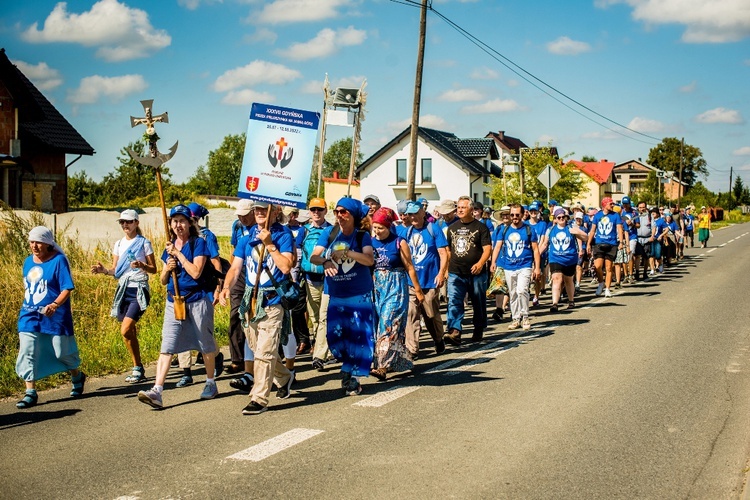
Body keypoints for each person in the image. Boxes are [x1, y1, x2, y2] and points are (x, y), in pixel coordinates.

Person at [138, 204, 219, 409]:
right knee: (167, 345)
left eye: (182, 220)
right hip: (174, 302)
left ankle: (210, 382)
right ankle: (157, 390)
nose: (178, 225)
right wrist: (169, 268)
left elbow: (196, 272)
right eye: (175, 221)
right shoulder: (169, 246)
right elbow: (164, 279)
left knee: (205, 344)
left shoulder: (199, 243)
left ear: (190, 223)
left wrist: (179, 255)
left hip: (198, 300)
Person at [219, 201, 296, 415]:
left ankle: (259, 397)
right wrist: (226, 287)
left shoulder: (283, 235)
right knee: (258, 348)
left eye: (264, 209)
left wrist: (270, 245)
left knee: (265, 351)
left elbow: (286, 266)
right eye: (257, 209)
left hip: (272, 301)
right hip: (251, 302)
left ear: (275, 211)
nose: (260, 212)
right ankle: (284, 376)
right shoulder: (246, 238)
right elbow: (235, 267)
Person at [310, 197, 375, 396]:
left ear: (353, 215)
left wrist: (349, 252)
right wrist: (326, 261)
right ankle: (347, 365)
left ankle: (353, 376)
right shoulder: (329, 233)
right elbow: (314, 256)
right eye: (337, 211)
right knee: (337, 337)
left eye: (344, 212)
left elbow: (369, 259)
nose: (339, 215)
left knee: (358, 337)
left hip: (359, 295)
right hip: (336, 294)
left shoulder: (362, 236)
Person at [16, 226, 86, 409]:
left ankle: (77, 376)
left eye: (38, 242)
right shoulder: (27, 262)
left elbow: (67, 288)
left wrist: (54, 305)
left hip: (56, 316)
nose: (34, 246)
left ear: (48, 243)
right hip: (29, 314)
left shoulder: (58, 261)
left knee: (61, 352)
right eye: (31, 242)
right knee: (27, 350)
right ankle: (30, 392)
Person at [91, 209, 156, 384]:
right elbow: (115, 270)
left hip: (139, 289)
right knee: (129, 333)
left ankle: (138, 368)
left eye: (128, 222)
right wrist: (103, 271)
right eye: (122, 222)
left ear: (136, 223)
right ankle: (138, 367)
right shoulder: (118, 244)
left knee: (125, 329)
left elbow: (154, 269)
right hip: (124, 290)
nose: (125, 225)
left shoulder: (144, 243)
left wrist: (142, 265)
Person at [370, 207, 423, 380]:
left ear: (388, 227)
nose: (377, 231)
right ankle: (395, 360)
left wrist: (418, 290)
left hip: (396, 286)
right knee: (380, 326)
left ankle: (382, 367)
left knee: (388, 323)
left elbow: (409, 268)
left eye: (381, 228)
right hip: (378, 287)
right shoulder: (371, 242)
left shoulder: (399, 242)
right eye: (375, 227)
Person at [443, 196, 492, 345]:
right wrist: (446, 269)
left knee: (478, 301)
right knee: (454, 301)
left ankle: (479, 328)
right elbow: (449, 251)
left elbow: (487, 249)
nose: (460, 210)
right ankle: (454, 330)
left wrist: (480, 263)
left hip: (476, 273)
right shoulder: (452, 228)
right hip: (456, 272)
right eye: (458, 207)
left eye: (463, 207)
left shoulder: (481, 228)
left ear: (471, 209)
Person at [402, 200, 448, 358]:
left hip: (429, 280)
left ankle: (438, 338)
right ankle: (412, 348)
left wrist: (441, 273)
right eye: (410, 214)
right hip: (411, 282)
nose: (413, 217)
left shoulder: (433, 229)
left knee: (431, 315)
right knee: (411, 313)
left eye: (416, 213)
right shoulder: (406, 232)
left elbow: (443, 253)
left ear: (423, 213)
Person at [297, 197, 334, 371]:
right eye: (313, 210)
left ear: (326, 211)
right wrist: (295, 277)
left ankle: (321, 354)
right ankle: (323, 349)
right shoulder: (303, 231)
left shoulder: (333, 231)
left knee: (325, 316)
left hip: (328, 279)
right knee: (315, 318)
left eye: (319, 209)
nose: (316, 213)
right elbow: (297, 255)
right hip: (310, 279)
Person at [491, 203, 540, 331]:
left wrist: (537, 267)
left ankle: (525, 316)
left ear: (523, 214)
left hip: (525, 265)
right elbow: (497, 246)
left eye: (517, 214)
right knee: (512, 293)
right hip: (508, 266)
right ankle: (515, 318)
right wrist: (493, 262)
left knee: (522, 290)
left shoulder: (529, 230)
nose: (514, 217)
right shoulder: (504, 230)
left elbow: (535, 249)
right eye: (512, 215)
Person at [538, 207, 588, 311]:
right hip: (555, 258)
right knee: (556, 279)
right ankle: (555, 304)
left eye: (563, 217)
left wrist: (577, 233)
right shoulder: (550, 230)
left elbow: (585, 237)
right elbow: (545, 244)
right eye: (558, 217)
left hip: (569, 258)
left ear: (566, 217)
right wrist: (536, 255)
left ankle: (571, 301)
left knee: (568, 280)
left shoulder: (571, 227)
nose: (561, 219)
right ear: (555, 219)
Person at [227, 199, 256, 379]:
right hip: (240, 270)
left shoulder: (262, 226)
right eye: (239, 214)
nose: (242, 217)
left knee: (256, 316)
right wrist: (228, 279)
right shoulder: (237, 226)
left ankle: (265, 355)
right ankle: (237, 358)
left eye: (245, 214)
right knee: (236, 314)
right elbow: (233, 250)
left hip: (257, 271)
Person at [587, 197, 626, 298]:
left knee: (609, 267)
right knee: (597, 266)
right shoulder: (597, 215)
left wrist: (621, 242)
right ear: (604, 205)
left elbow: (619, 229)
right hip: (599, 243)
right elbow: (592, 230)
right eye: (611, 204)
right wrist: (588, 243)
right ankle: (601, 283)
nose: (612, 205)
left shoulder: (615, 216)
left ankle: (608, 289)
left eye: (613, 204)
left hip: (611, 244)